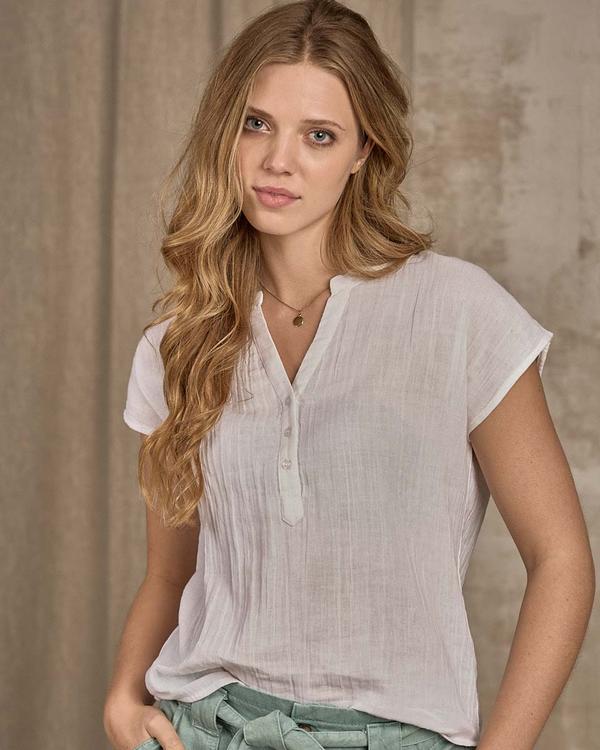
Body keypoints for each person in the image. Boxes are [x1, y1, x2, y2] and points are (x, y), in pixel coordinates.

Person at [103, 2, 595, 750]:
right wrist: (121, 697)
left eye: (319, 135)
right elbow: (171, 574)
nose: (278, 161)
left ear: (365, 149)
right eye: (257, 124)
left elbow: (562, 561)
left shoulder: (458, 312)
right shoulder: (180, 341)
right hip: (202, 727)